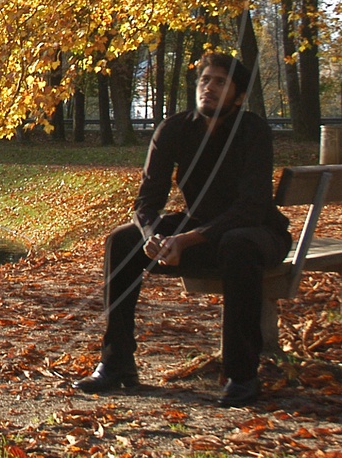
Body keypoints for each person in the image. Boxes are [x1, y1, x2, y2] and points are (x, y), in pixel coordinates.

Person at [74, 52, 292, 407]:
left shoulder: (252, 130)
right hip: (198, 230)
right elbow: (147, 200)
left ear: (238, 95)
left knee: (238, 243)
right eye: (205, 80)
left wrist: (186, 239)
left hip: (256, 231)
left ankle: (242, 375)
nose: (209, 88)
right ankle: (117, 363)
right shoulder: (174, 128)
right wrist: (152, 238)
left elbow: (251, 206)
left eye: (221, 82)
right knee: (122, 239)